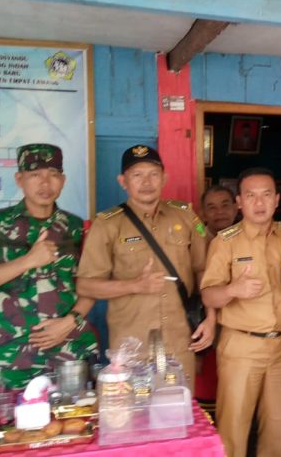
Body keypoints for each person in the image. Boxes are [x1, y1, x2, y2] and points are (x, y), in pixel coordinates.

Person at [77, 145, 216, 390]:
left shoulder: (185, 216)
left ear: (164, 178)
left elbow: (204, 271)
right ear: (123, 182)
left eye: (153, 174)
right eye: (137, 175)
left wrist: (211, 319)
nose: (146, 182)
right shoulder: (107, 225)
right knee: (133, 411)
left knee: (180, 410)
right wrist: (135, 285)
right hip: (131, 347)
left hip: (180, 342)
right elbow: (86, 286)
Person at [0, 143, 98, 389]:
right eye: (35, 175)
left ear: (63, 180)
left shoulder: (76, 227)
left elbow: (92, 286)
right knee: (11, 415)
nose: (45, 184)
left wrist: (70, 321)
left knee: (78, 413)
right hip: (13, 356)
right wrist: (29, 260)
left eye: (53, 175)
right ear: (20, 179)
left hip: (70, 350)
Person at [201, 167, 281, 457]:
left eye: (266, 195)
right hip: (241, 348)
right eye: (251, 196)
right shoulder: (225, 242)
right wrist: (232, 290)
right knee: (233, 430)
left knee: (277, 430)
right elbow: (208, 294)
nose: (259, 203)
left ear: (277, 200)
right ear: (239, 202)